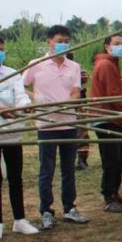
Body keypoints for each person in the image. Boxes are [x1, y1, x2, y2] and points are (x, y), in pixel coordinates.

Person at [23, 25, 88, 229]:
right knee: (47, 170)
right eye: (60, 40)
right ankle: (46, 211)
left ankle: (69, 208)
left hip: (68, 123)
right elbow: (22, 86)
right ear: (49, 42)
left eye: (67, 41)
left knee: (68, 169)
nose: (63, 44)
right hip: (46, 125)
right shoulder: (37, 64)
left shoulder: (74, 67)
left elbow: (77, 92)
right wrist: (37, 100)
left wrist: (69, 101)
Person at [0, 33, 39, 239]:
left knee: (15, 178)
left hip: (12, 132)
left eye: (1, 49)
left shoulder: (12, 74)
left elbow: (20, 97)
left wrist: (25, 107)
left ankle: (20, 220)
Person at [90, 34, 122, 213]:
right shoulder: (106, 64)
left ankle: (115, 193)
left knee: (120, 157)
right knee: (111, 160)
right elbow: (113, 95)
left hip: (115, 118)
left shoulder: (113, 63)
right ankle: (108, 198)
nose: (121, 47)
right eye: (117, 44)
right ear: (107, 46)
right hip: (105, 118)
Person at [69, 52, 91, 171]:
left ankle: (82, 160)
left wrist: (81, 76)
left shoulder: (76, 66)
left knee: (81, 131)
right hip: (61, 103)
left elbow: (85, 77)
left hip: (78, 103)